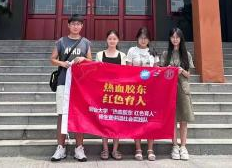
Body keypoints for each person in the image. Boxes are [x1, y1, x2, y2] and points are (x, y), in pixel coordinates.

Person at [50, 15, 92, 162]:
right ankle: (60, 148)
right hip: (63, 82)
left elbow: (90, 61)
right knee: (62, 114)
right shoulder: (61, 41)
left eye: (78, 24)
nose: (76, 26)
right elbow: (52, 59)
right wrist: (62, 63)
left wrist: (84, 59)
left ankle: (79, 148)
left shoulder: (85, 42)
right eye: (73, 24)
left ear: (82, 26)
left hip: (80, 84)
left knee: (79, 114)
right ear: (68, 25)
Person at [161, 27, 195, 161]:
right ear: (170, 39)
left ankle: (183, 146)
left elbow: (189, 75)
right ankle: (174, 145)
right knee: (173, 119)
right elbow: (162, 73)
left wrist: (182, 71)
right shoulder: (166, 54)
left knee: (184, 119)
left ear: (181, 38)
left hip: (183, 88)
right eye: (173, 37)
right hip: (169, 90)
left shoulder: (187, 54)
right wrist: (168, 69)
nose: (175, 39)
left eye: (177, 37)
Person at [126, 27, 159, 161]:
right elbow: (127, 70)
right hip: (135, 90)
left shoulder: (153, 52)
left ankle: (150, 149)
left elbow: (157, 71)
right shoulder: (132, 51)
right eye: (141, 37)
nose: (143, 40)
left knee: (150, 119)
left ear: (149, 39)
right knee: (137, 119)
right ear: (137, 38)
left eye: (146, 38)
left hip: (150, 91)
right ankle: (138, 148)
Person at [95, 29, 127, 160]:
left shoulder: (122, 55)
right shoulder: (99, 55)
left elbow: (125, 74)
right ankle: (105, 149)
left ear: (118, 40)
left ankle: (115, 149)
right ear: (106, 40)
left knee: (116, 121)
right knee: (104, 120)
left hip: (118, 92)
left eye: (114, 39)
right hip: (104, 92)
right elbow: (96, 72)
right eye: (110, 39)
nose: (112, 41)